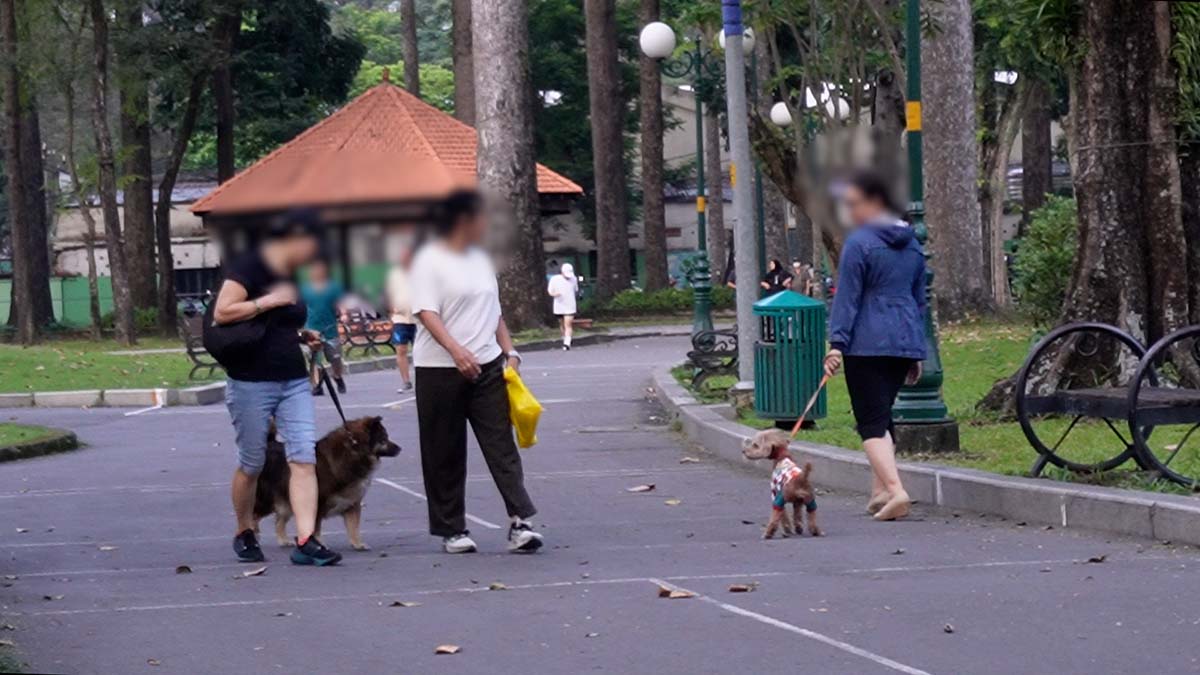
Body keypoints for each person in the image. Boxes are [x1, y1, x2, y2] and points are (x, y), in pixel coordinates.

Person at [410, 191, 543, 555]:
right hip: (439, 368)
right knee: (444, 450)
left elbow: (494, 312)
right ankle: (452, 529)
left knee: (501, 444)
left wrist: (510, 351)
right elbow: (425, 311)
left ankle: (521, 521)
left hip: (487, 365)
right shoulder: (428, 260)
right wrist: (455, 350)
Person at [212, 211, 342, 566]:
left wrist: (303, 335)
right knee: (252, 462)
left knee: (303, 457)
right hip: (251, 381)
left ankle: (305, 539)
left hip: (293, 379)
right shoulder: (249, 267)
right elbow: (223, 313)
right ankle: (244, 530)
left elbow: (280, 322)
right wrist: (268, 300)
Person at [822, 171, 927, 522]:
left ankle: (896, 490)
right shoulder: (912, 243)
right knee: (883, 415)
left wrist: (837, 343)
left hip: (866, 343)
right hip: (903, 339)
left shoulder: (860, 242)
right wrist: (916, 350)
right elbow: (918, 299)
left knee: (870, 421)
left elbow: (848, 297)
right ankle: (878, 492)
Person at [299, 257, 346, 396]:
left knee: (335, 359)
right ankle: (317, 385)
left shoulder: (333, 287)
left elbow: (340, 302)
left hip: (330, 329)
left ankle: (337, 377)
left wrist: (343, 314)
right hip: (311, 329)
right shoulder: (304, 289)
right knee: (314, 359)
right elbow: (300, 307)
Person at [387, 246, 416, 392]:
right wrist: (392, 308)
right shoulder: (394, 274)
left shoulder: (419, 273)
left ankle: (422, 380)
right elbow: (390, 293)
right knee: (401, 349)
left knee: (419, 350)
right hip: (400, 319)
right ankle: (406, 381)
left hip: (418, 318)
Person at [547, 262, 579, 350]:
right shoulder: (554, 279)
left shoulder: (574, 279)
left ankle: (567, 343)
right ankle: (564, 337)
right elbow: (550, 291)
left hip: (570, 304)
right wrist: (555, 294)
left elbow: (576, 289)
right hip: (559, 305)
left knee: (568, 324)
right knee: (562, 324)